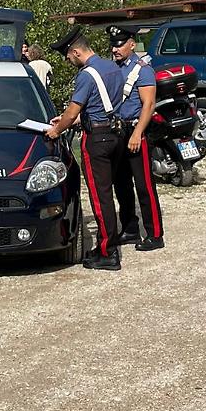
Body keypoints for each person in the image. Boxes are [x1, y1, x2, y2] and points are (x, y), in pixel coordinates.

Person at [44, 26, 129, 270]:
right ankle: (110, 242)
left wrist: (56, 130)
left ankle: (107, 251)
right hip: (115, 133)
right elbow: (103, 105)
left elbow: (74, 109)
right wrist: (72, 119)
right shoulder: (112, 67)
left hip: (98, 139)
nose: (69, 61)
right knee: (108, 192)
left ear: (76, 51)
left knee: (100, 197)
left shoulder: (86, 74)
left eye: (68, 57)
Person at [110, 27, 164, 251]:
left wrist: (137, 133)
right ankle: (130, 228)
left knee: (144, 186)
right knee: (121, 184)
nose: (115, 49)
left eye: (120, 44)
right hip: (118, 132)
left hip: (135, 131)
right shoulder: (112, 68)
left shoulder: (142, 70)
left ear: (132, 44)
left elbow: (148, 105)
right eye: (113, 45)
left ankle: (155, 234)